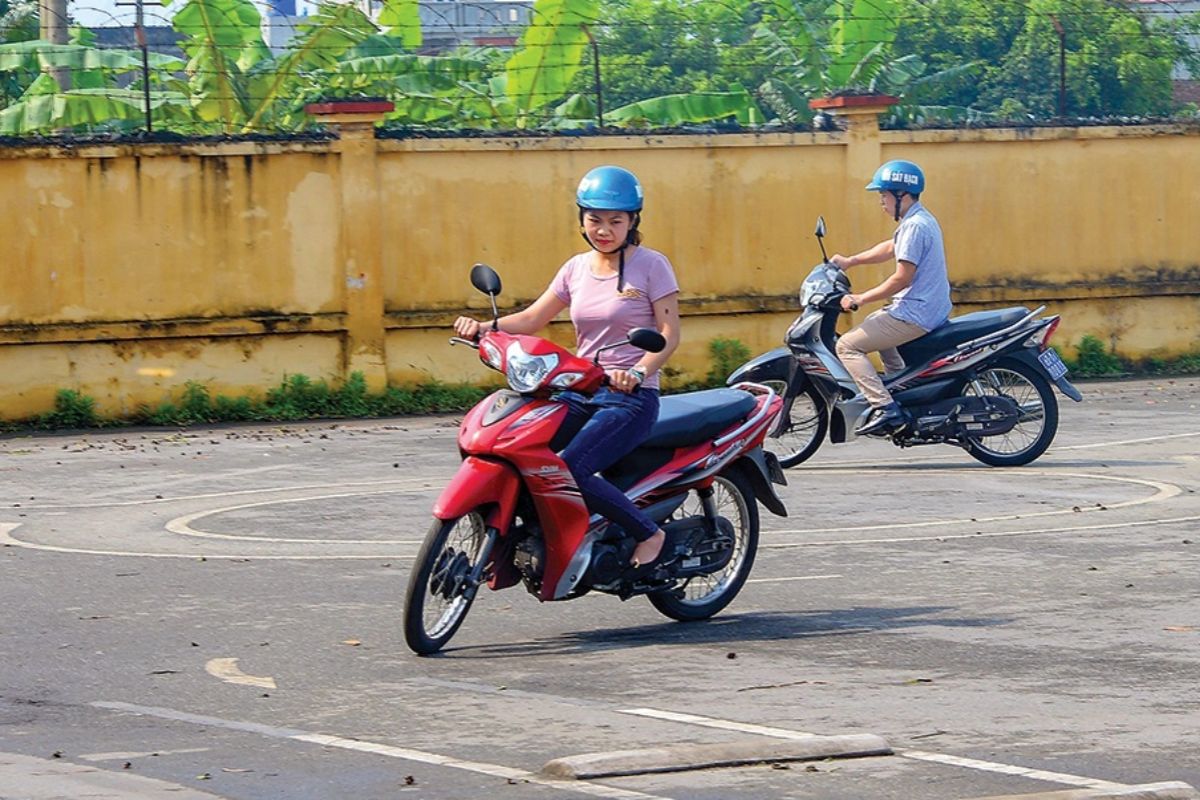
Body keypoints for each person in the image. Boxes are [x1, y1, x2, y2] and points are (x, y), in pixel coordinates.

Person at [453, 166, 681, 571]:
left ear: (633, 222)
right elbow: (532, 319)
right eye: (594, 220)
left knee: (570, 467)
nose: (604, 230)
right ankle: (517, 538)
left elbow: (668, 333)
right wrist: (484, 328)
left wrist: (640, 372)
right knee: (515, 448)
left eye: (615, 221)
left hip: (630, 396)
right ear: (581, 220)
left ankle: (650, 533)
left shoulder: (651, 265)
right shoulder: (575, 268)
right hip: (579, 388)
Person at [830, 159, 952, 436]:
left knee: (848, 346)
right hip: (926, 308)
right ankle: (901, 389)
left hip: (917, 313)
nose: (881, 201)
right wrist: (850, 261)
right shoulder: (918, 220)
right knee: (876, 322)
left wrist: (860, 298)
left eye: (884, 195)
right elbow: (891, 247)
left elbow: (902, 278)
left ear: (902, 196)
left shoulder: (915, 226)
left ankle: (885, 408)